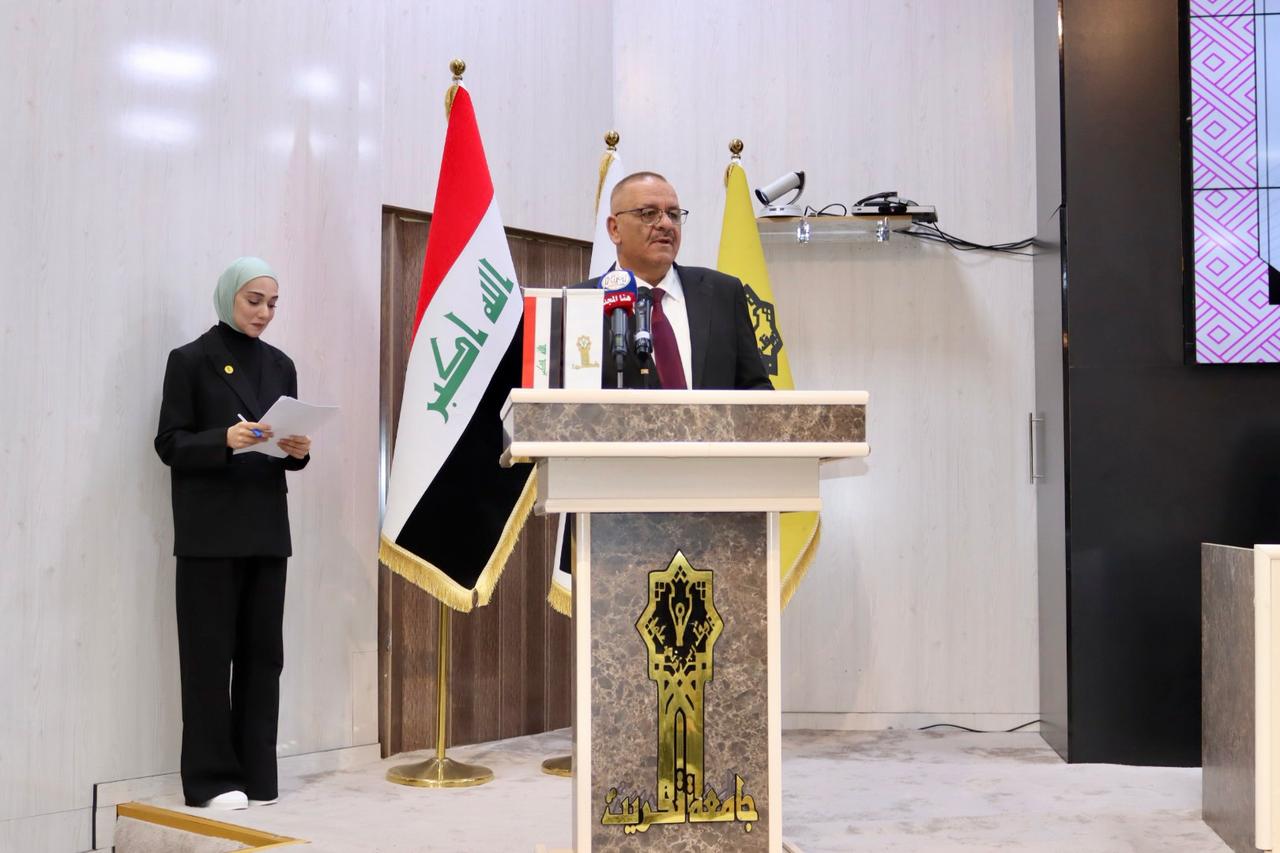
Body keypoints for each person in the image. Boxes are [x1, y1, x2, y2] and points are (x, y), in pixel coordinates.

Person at [154, 257, 312, 810]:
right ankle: (210, 780)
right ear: (228, 297)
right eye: (254, 300)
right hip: (210, 534)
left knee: (263, 657)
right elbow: (170, 443)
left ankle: (257, 776)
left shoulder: (281, 364)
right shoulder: (190, 360)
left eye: (272, 303)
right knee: (207, 658)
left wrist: (298, 450)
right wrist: (223, 439)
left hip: (266, 529)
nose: (264, 312)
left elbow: (287, 445)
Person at [578, 171, 773, 390]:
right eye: (648, 213)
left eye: (673, 214)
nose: (666, 224)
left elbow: (757, 390)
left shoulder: (723, 294)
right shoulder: (580, 305)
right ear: (615, 229)